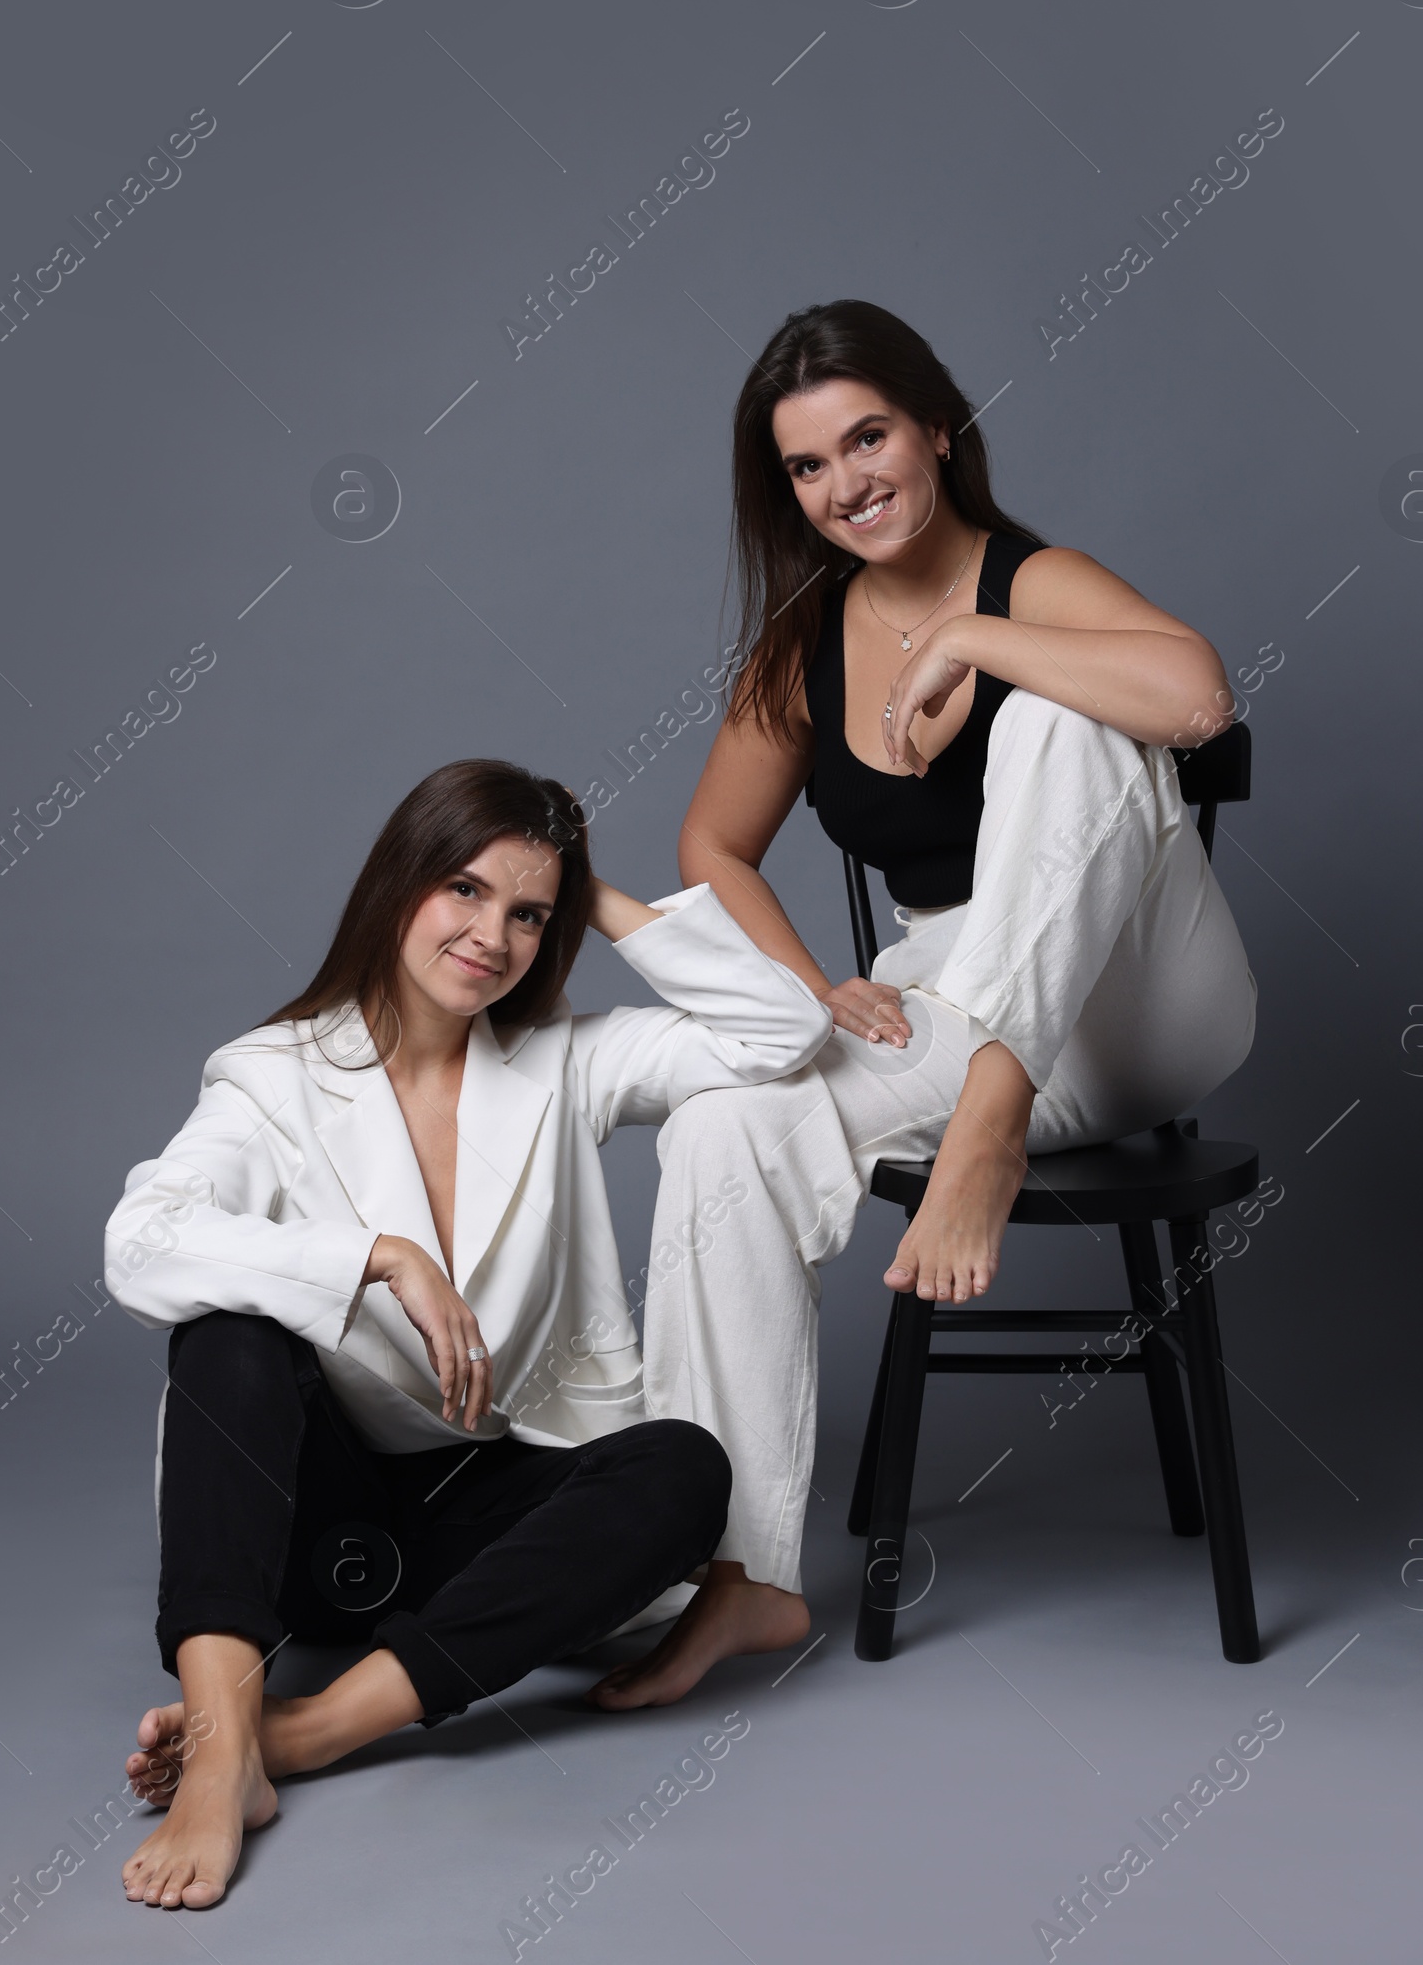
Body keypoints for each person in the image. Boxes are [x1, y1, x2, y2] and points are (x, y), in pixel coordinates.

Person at [591, 299, 1257, 1707]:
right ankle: (727, 1574)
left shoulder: (1036, 572)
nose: (846, 483)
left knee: (1082, 718)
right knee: (722, 1129)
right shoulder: (803, 643)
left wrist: (977, 641)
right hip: (953, 975)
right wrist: (814, 985)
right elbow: (712, 846)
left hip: (1144, 997)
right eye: (807, 466)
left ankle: (991, 1122)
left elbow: (1196, 700)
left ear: (938, 427)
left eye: (869, 435)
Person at [104, 757, 831, 1909]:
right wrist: (375, 1259)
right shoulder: (273, 1075)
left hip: (479, 1532)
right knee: (226, 1338)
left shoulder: (564, 1062)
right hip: (313, 1521)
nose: (491, 934)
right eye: (463, 889)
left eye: (527, 912)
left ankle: (295, 1734)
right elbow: (139, 1243)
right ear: (400, 884)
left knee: (683, 1470)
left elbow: (783, 1027)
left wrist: (587, 886)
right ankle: (218, 1729)